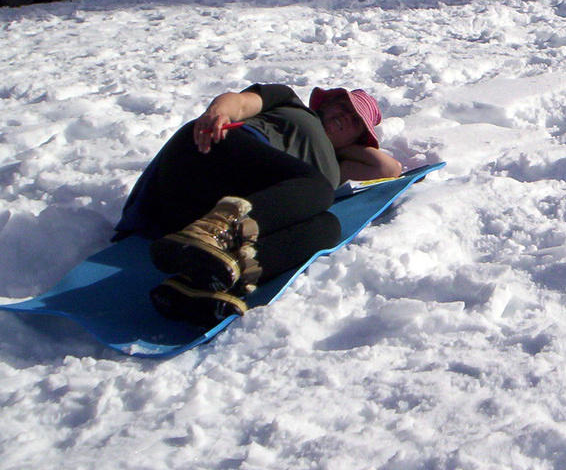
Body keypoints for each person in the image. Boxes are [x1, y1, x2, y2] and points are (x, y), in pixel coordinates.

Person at [114, 84, 403, 325]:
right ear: (325, 103)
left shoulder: (336, 167)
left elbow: (388, 168)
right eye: (342, 106)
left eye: (355, 121)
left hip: (208, 211)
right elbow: (239, 103)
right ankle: (214, 233)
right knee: (319, 191)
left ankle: (210, 279)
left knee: (327, 228)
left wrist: (340, 145)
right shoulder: (289, 102)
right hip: (212, 156)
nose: (345, 116)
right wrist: (218, 113)